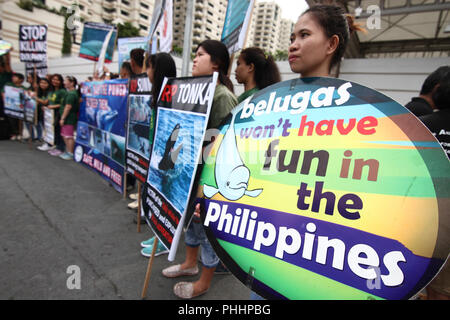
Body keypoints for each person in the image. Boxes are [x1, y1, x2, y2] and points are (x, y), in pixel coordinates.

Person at [161, 40, 238, 299]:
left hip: (209, 182)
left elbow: (222, 148)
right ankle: (189, 264)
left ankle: (204, 282)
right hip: (191, 177)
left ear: (216, 63)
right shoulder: (196, 92)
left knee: (208, 232)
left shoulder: (222, 97)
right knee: (191, 225)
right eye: (195, 54)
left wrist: (206, 189)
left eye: (200, 55)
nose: (194, 59)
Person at [139, 52, 177, 258]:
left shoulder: (171, 95)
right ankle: (156, 232)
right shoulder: (157, 93)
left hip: (163, 159)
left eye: (149, 67)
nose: (147, 72)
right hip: (153, 155)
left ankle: (163, 238)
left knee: (162, 197)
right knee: (152, 197)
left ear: (158, 69)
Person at [58, 76, 79, 160]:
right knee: (64, 135)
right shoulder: (70, 92)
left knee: (68, 136)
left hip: (69, 118)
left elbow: (68, 106)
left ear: (72, 83)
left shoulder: (72, 94)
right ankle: (68, 151)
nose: (64, 83)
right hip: (68, 117)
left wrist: (63, 118)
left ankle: (70, 152)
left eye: (66, 81)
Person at [45, 74, 66, 156]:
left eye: (57, 80)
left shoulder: (62, 91)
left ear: (61, 81)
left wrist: (53, 106)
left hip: (58, 113)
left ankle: (61, 148)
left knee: (59, 130)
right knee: (53, 131)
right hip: (50, 113)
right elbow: (47, 101)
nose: (55, 81)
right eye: (53, 79)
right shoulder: (51, 91)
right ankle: (56, 146)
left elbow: (64, 104)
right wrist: (45, 107)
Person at [1, 72, 27, 140]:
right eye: (13, 77)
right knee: (11, 120)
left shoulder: (23, 88)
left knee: (20, 120)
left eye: (15, 77)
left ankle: (20, 133)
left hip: (19, 107)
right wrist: (5, 101)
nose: (13, 78)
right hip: (9, 106)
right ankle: (14, 133)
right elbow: (3, 93)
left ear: (21, 80)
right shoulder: (8, 85)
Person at [36, 78, 54, 150]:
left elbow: (45, 102)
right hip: (42, 112)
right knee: (45, 127)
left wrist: (35, 97)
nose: (42, 84)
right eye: (41, 83)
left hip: (49, 113)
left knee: (49, 128)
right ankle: (47, 142)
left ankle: (49, 144)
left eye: (45, 83)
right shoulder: (40, 91)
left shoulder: (50, 92)